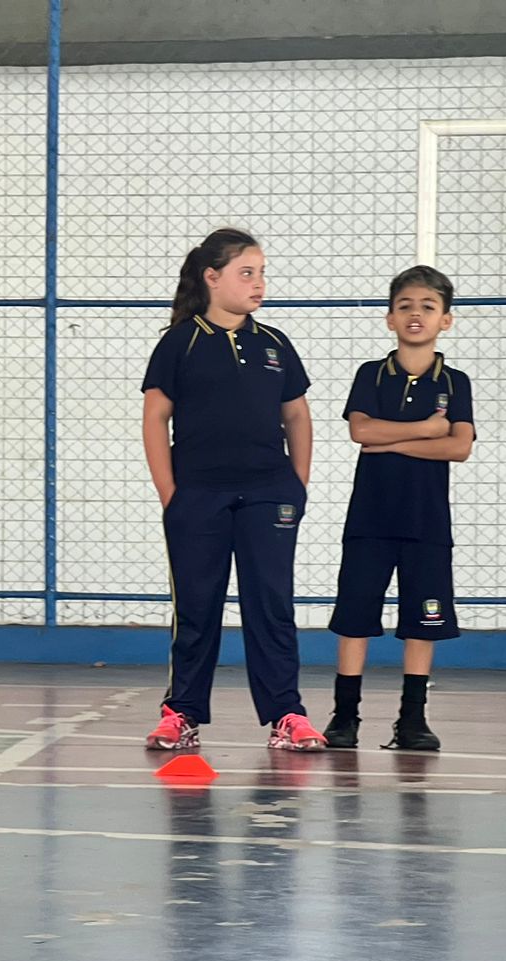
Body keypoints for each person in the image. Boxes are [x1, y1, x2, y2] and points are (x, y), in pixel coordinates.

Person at [140, 228, 326, 753]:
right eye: (247, 273)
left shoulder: (274, 345)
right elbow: (156, 417)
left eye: (262, 273)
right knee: (196, 607)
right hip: (198, 496)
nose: (258, 283)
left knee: (272, 603)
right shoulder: (180, 342)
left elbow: (297, 415)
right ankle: (181, 712)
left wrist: (298, 484)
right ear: (212, 277)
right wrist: (169, 493)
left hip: (269, 493)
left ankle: (287, 714)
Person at [324, 265, 475, 752]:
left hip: (426, 521)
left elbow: (459, 447)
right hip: (370, 518)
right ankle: (344, 717)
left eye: (428, 307)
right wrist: (428, 430)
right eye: (406, 306)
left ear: (445, 321)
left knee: (422, 620)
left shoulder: (456, 382)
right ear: (390, 318)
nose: (416, 315)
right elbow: (360, 432)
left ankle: (412, 720)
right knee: (355, 616)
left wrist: (403, 440)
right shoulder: (371, 375)